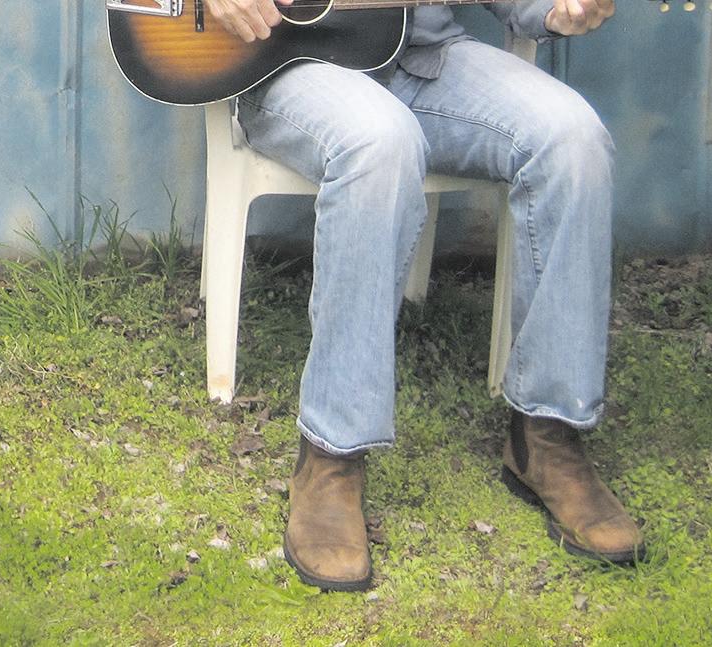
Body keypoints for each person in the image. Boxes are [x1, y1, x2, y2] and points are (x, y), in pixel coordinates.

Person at [202, 0, 644, 591]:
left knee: (573, 139)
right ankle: (332, 456)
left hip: (424, 58)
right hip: (290, 64)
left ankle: (547, 436)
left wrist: (553, 8)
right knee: (379, 143)